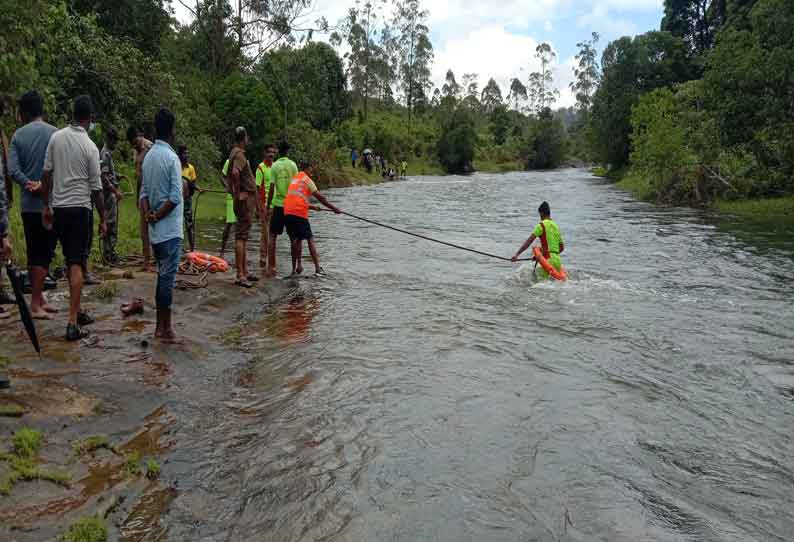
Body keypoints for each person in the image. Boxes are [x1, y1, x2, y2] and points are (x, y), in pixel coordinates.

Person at [41, 95, 107, 341]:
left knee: (71, 261)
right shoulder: (90, 146)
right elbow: (96, 189)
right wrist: (103, 218)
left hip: (59, 209)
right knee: (76, 263)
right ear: (89, 118)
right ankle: (72, 323)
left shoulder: (55, 138)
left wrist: (46, 205)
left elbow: (46, 174)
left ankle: (77, 311)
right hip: (80, 210)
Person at [7, 90, 58, 320]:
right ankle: (35, 303)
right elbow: (59, 168)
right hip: (50, 203)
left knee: (34, 251)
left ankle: (39, 298)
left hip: (28, 204)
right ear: (42, 110)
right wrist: (44, 187)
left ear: (24, 112)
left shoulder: (18, 136)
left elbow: (12, 170)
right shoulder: (55, 134)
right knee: (44, 252)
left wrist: (29, 184)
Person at [139, 107, 183, 344]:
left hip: (156, 232)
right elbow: (175, 197)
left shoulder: (148, 157)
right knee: (167, 279)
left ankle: (162, 326)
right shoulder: (171, 158)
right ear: (172, 130)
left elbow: (143, 192)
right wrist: (156, 216)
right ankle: (164, 329)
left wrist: (149, 215)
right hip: (169, 230)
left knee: (161, 277)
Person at [283, 162, 341, 276]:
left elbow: (295, 198)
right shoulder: (307, 179)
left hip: (287, 212)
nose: (312, 173)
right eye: (311, 170)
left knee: (296, 240)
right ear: (307, 169)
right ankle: (317, 268)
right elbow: (321, 198)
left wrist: (311, 207)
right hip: (299, 212)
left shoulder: (294, 179)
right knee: (310, 239)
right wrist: (335, 208)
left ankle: (294, 269)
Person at [227, 127, 258, 287]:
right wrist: (239, 192)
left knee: (243, 236)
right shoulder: (239, 154)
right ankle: (240, 274)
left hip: (245, 199)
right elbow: (234, 173)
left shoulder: (235, 153)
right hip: (244, 200)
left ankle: (244, 271)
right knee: (241, 236)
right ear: (243, 138)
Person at [265, 139, 298, 278]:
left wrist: (268, 206)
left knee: (272, 236)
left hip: (278, 205)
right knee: (293, 238)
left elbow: (271, 188)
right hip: (291, 206)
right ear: (288, 151)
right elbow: (297, 187)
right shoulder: (293, 165)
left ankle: (272, 267)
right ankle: (293, 268)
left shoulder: (275, 166)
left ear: (278, 151)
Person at [511, 201, 565, 280]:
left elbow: (528, 241)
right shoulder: (556, 226)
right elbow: (562, 247)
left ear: (541, 213)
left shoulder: (541, 225)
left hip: (548, 260)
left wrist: (516, 255)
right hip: (558, 261)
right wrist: (540, 256)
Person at [127, 125, 154, 272]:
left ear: (141, 135)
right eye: (132, 143)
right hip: (143, 191)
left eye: (136, 141)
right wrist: (137, 196)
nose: (135, 145)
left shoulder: (151, 147)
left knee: (154, 225)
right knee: (143, 229)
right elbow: (138, 176)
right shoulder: (135, 151)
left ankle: (154, 258)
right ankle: (147, 261)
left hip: (153, 191)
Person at [99, 127, 123, 265]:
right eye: (114, 141)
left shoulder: (108, 154)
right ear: (109, 139)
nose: (115, 144)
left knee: (111, 223)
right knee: (110, 224)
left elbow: (109, 174)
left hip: (109, 195)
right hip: (108, 196)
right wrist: (115, 191)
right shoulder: (104, 154)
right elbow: (104, 177)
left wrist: (117, 175)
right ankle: (109, 253)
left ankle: (110, 252)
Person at [255, 143, 275, 271]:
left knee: (272, 233)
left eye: (273, 152)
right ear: (265, 153)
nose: (271, 154)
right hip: (264, 205)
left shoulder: (275, 167)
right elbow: (256, 189)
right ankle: (263, 258)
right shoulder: (260, 168)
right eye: (269, 152)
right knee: (265, 233)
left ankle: (270, 260)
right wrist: (259, 207)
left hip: (275, 205)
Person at [178, 145, 201, 252]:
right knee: (177, 224)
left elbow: (193, 184)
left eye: (187, 153)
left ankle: (192, 249)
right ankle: (177, 247)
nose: (186, 155)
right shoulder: (176, 166)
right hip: (177, 200)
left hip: (187, 200)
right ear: (180, 155)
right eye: (184, 153)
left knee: (189, 224)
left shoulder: (190, 168)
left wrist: (198, 188)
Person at [219, 159, 235, 258]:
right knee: (229, 224)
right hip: (231, 196)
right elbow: (222, 177)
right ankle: (222, 251)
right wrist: (227, 187)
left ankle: (239, 252)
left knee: (241, 225)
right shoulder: (229, 161)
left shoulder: (245, 161)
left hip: (242, 196)